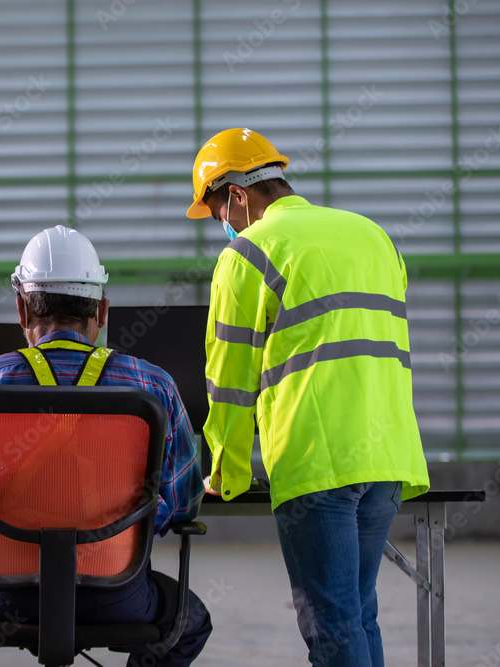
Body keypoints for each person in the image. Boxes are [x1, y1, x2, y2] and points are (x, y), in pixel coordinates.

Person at [0, 225, 211, 667]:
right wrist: (126, 524)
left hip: (2, 594)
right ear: (102, 311)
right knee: (190, 621)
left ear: (22, 311)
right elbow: (183, 506)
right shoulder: (152, 386)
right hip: (117, 595)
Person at [186, 128, 430, 667]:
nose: (220, 228)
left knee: (332, 625)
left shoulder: (248, 253)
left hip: (317, 461)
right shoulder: (372, 235)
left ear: (239, 196)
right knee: (358, 615)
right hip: (387, 457)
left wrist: (226, 470)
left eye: (216, 211)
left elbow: (229, 379)